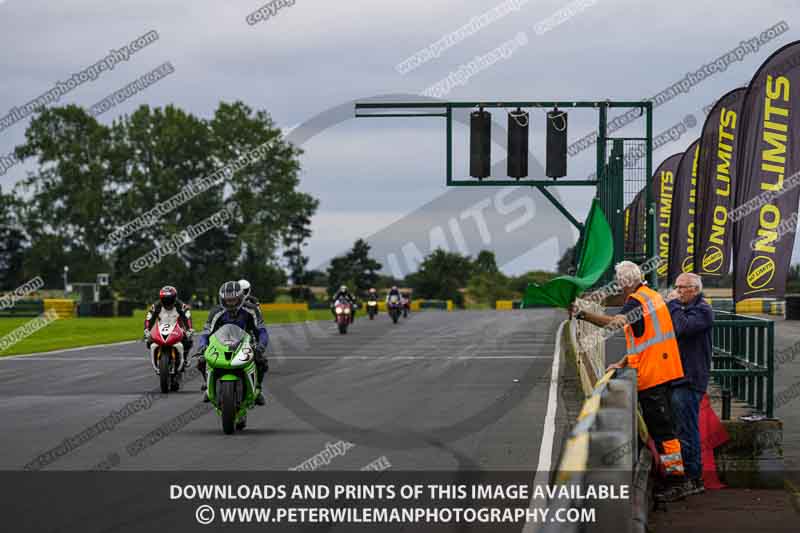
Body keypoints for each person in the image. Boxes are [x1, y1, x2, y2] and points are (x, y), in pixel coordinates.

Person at [571, 261, 689, 502]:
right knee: (664, 428)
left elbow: (616, 324)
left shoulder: (636, 301)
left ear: (624, 282)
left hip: (653, 375)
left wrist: (582, 314)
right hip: (663, 370)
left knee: (664, 431)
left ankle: (677, 482)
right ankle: (673, 478)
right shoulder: (652, 296)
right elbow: (647, 340)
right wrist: (624, 362)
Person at [666, 272, 714, 496]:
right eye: (676, 287)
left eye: (682, 287)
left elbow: (682, 328)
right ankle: (677, 476)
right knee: (676, 430)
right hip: (676, 377)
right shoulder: (684, 308)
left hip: (690, 379)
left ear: (695, 289)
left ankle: (692, 479)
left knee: (686, 431)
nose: (677, 291)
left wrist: (673, 303)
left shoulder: (703, 310)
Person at [195, 281, 269, 405]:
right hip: (220, 343)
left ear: (240, 298)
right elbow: (206, 332)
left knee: (261, 361)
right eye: (227, 300)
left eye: (233, 300)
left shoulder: (251, 309)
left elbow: (262, 331)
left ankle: (257, 389)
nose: (230, 303)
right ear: (222, 299)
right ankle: (208, 388)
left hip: (246, 343)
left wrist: (260, 347)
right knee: (201, 361)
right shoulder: (216, 311)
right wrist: (203, 346)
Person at [144, 286, 194, 369]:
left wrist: (189, 329)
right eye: (165, 299)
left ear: (174, 298)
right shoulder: (156, 306)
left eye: (170, 299)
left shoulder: (181, 305)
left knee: (188, 340)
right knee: (149, 341)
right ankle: (157, 358)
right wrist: (147, 329)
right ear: (161, 299)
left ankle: (184, 358)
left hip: (177, 327)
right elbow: (149, 318)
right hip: (160, 327)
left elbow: (187, 316)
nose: (167, 302)